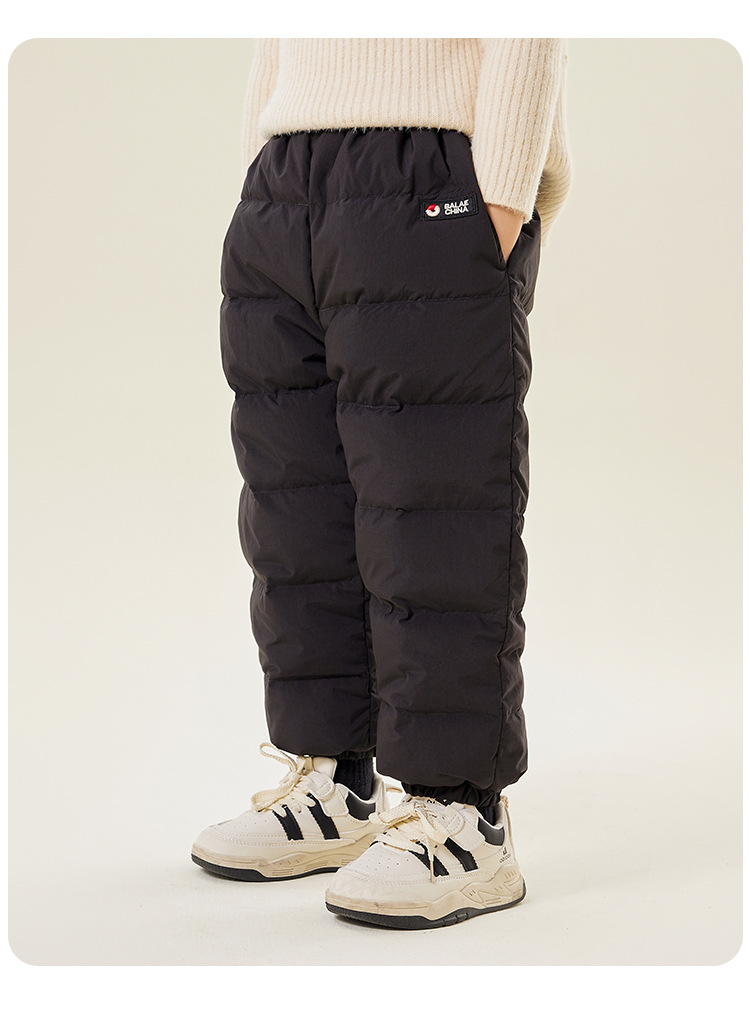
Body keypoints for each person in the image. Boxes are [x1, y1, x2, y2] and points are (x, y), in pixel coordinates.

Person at [192, 37, 572, 930]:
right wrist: (265, 163)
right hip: (288, 182)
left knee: (432, 512)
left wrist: (501, 193)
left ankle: (463, 814)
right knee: (297, 512)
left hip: (428, 166)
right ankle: (337, 783)